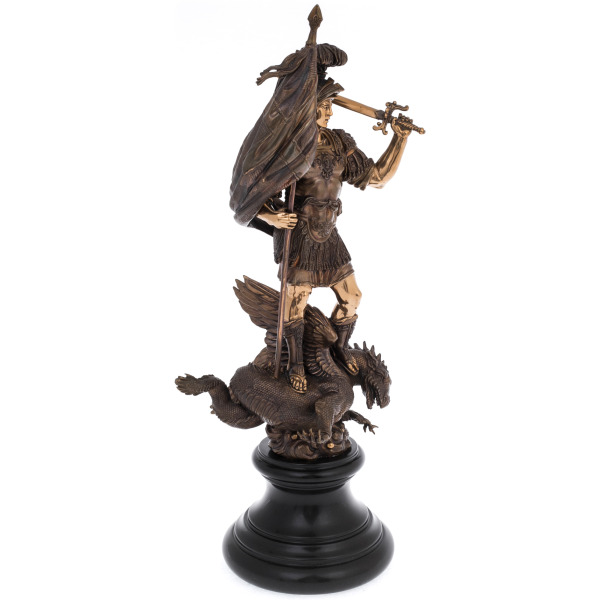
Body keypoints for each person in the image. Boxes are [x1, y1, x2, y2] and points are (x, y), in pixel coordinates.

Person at [254, 80, 411, 393]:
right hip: (299, 233)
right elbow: (256, 189)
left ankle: (338, 347)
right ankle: (296, 363)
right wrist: (270, 215)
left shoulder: (340, 143)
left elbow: (377, 177)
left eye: (329, 105)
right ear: (305, 109)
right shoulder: (288, 147)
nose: (329, 112)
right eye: (323, 106)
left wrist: (400, 139)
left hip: (329, 234)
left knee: (352, 297)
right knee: (296, 302)